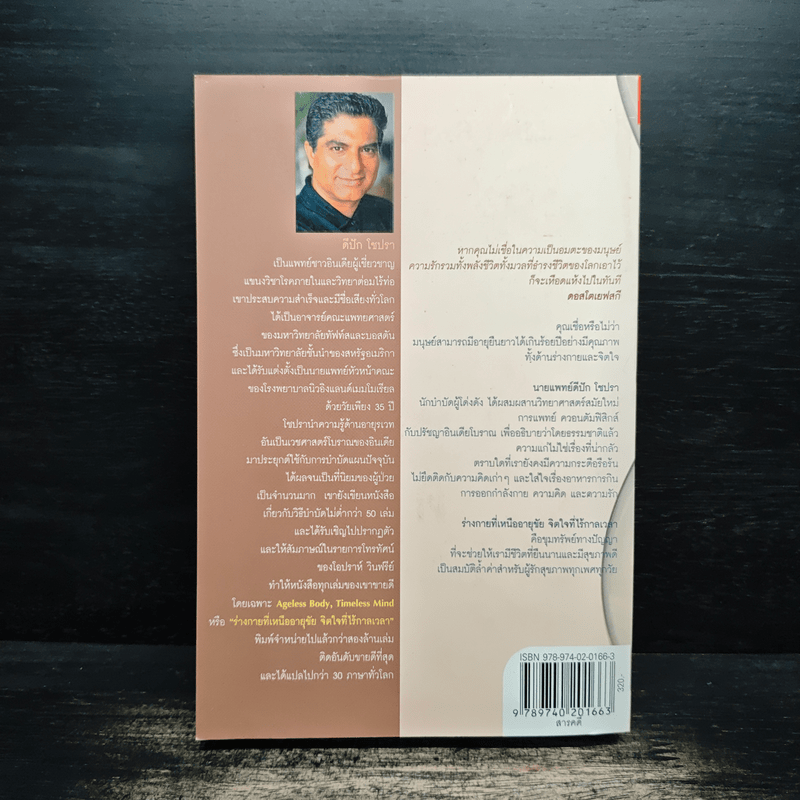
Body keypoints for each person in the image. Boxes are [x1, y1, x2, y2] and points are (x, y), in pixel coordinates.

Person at [296, 93, 393, 233]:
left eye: (367, 150)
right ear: (311, 153)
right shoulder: (291, 226)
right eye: (338, 149)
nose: (355, 167)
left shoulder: (387, 212)